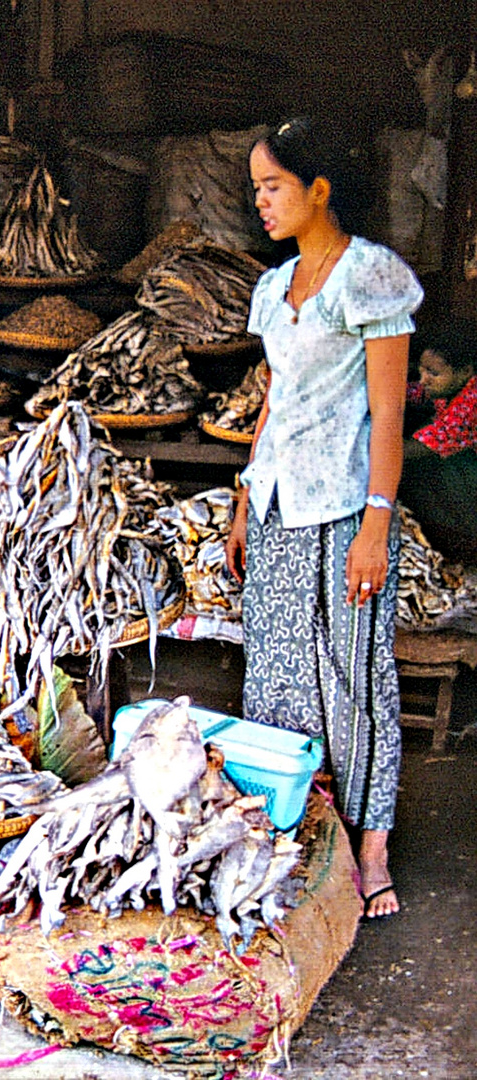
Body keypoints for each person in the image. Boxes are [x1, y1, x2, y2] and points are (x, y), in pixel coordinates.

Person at [227, 116, 422, 922]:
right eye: (257, 189)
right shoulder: (274, 287)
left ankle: (370, 852)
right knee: (274, 677)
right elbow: (276, 399)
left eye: (273, 186)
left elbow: (386, 416)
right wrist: (244, 498)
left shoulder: (370, 279)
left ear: (319, 188)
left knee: (352, 680)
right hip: (278, 503)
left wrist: (377, 523)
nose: (262, 202)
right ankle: (301, 832)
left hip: (344, 509)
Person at [400, 321, 477, 562]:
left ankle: (465, 544)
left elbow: (417, 448)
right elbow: (414, 393)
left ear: (465, 371)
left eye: (432, 373)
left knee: (417, 473)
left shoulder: (470, 403)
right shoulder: (447, 386)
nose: (424, 379)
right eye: (422, 371)